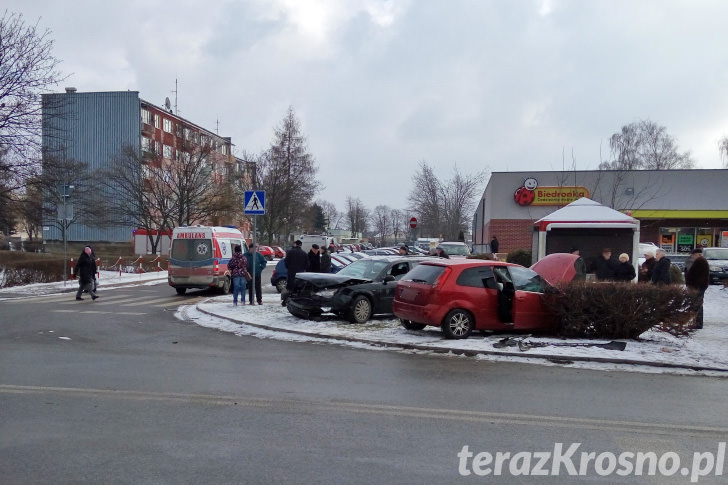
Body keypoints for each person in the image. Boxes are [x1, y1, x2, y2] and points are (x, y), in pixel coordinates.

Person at [685, 248, 710, 329]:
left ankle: (697, 323)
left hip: (698, 287)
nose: (692, 257)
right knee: (696, 304)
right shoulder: (699, 261)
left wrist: (694, 287)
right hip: (698, 286)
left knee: (697, 305)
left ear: (698, 254)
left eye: (693, 255)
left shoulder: (700, 262)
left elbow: (699, 276)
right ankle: (696, 323)